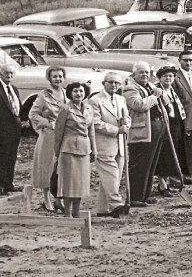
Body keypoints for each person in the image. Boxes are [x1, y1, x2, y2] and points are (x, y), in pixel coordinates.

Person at [88, 72, 130, 217]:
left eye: (117, 83)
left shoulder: (121, 99)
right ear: (103, 83)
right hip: (103, 144)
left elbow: (127, 118)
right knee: (111, 175)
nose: (113, 85)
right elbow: (96, 123)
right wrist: (117, 130)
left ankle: (103, 209)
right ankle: (116, 204)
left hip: (120, 145)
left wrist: (126, 123)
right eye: (110, 82)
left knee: (112, 178)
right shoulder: (95, 100)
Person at [123, 61, 165, 207]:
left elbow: (161, 97)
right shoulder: (129, 88)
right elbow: (138, 105)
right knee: (139, 164)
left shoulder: (150, 86)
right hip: (141, 131)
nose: (145, 75)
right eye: (141, 72)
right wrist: (154, 97)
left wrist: (159, 92)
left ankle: (145, 195)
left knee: (150, 163)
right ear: (134, 74)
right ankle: (135, 197)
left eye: (147, 72)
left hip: (155, 128)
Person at [53, 82, 96, 218]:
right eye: (76, 91)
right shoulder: (65, 109)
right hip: (68, 148)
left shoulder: (89, 108)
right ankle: (67, 212)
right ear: (70, 93)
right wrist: (57, 152)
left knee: (80, 182)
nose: (79, 94)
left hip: (84, 148)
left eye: (81, 91)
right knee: (69, 181)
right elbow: (58, 131)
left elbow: (91, 131)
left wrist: (94, 149)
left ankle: (76, 212)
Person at [28, 66, 67, 211]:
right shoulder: (43, 96)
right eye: (55, 76)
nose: (58, 79)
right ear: (49, 78)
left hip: (63, 136)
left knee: (61, 168)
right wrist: (49, 124)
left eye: (60, 76)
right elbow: (33, 114)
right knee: (46, 167)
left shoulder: (65, 94)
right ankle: (46, 200)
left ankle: (58, 198)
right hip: (48, 136)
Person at [153, 66, 189, 196]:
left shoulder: (172, 90)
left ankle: (169, 181)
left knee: (174, 153)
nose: (168, 78)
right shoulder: (157, 91)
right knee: (164, 154)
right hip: (165, 127)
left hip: (176, 126)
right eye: (165, 76)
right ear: (159, 78)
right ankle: (162, 184)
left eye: (171, 76)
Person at [172, 52, 192, 185]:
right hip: (180, 119)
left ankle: (190, 171)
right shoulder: (175, 77)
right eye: (185, 60)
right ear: (179, 61)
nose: (188, 63)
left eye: (190, 60)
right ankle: (179, 175)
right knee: (181, 147)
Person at [0, 64, 20, 196]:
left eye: (12, 74)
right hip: (1, 129)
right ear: (1, 73)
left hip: (14, 130)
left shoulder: (13, 89)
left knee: (11, 156)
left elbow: (18, 108)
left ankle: (8, 184)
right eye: (7, 73)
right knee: (1, 157)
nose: (9, 76)